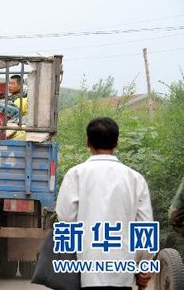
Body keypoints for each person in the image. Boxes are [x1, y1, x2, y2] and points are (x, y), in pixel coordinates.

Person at [56, 117, 153, 289]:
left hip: (87, 270)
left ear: (87, 142)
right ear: (117, 142)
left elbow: (65, 219)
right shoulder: (135, 179)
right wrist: (143, 265)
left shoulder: (76, 175)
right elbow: (145, 226)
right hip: (122, 271)